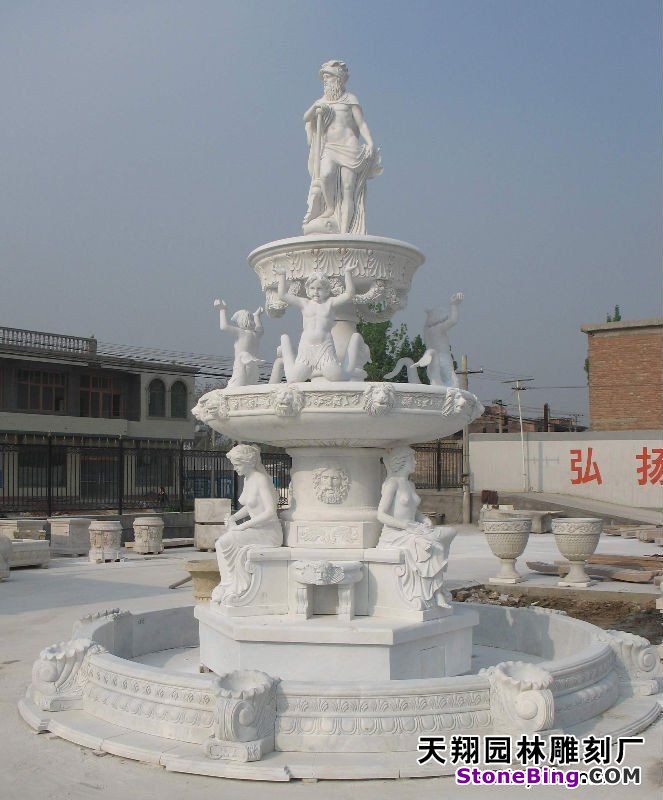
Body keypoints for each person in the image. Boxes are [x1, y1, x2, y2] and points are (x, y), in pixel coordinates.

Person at [302, 60, 382, 234]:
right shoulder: (321, 102)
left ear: (338, 79)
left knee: (347, 189)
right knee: (325, 174)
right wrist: (314, 107)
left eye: (328, 78)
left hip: (349, 146)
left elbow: (361, 124)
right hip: (329, 147)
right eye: (324, 79)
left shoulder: (350, 99)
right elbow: (305, 118)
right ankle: (330, 208)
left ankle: (345, 232)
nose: (325, 82)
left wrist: (370, 142)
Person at [377, 446, 456, 609]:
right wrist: (405, 525)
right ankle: (436, 592)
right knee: (432, 545)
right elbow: (381, 515)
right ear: (401, 461)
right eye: (412, 459)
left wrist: (424, 518)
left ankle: (435, 589)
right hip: (396, 533)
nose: (416, 462)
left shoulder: (410, 485)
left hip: (414, 528)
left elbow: (413, 510)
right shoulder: (392, 483)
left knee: (449, 532)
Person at [212, 444, 283, 605]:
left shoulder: (261, 479)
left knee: (224, 542)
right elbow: (251, 505)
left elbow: (270, 511)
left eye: (237, 465)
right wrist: (234, 517)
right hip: (257, 529)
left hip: (269, 533)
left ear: (248, 462)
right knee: (221, 543)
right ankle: (227, 583)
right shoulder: (248, 478)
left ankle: (231, 586)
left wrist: (242, 526)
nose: (235, 468)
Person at [273, 265, 369, 382]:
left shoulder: (330, 304)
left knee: (337, 377)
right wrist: (282, 275)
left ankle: (349, 363)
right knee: (293, 378)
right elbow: (283, 295)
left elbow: (349, 294)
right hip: (306, 348)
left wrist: (347, 274)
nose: (316, 292)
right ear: (308, 290)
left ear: (327, 290)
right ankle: (285, 344)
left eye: (320, 288)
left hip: (324, 348)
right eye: (312, 288)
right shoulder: (304, 303)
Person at [213, 299, 264, 387]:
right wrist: (257, 316)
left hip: (242, 367)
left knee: (233, 392)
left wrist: (222, 310)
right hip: (254, 369)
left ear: (241, 321)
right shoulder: (256, 335)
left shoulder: (241, 333)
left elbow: (224, 327)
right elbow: (260, 328)